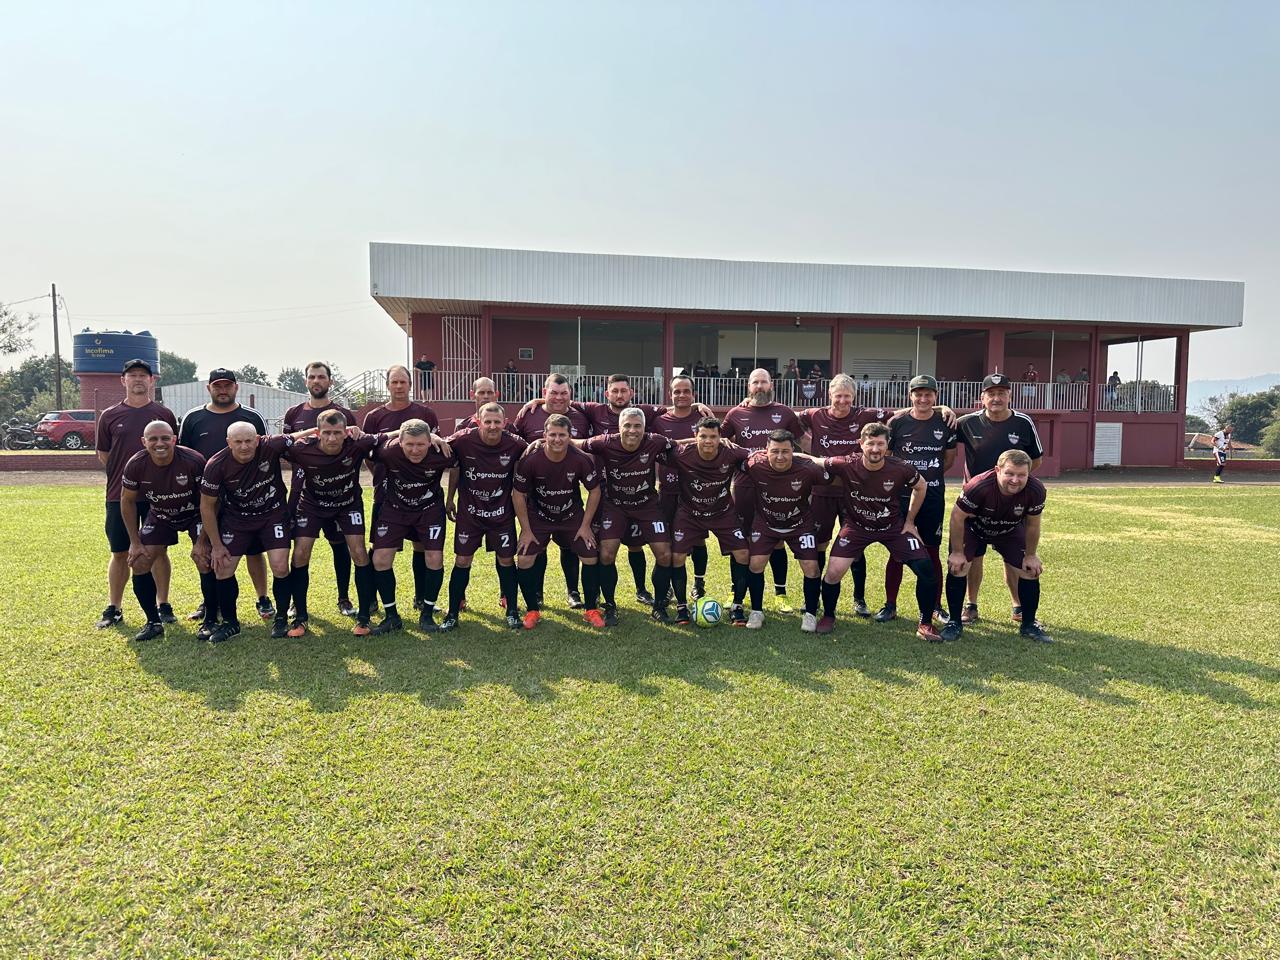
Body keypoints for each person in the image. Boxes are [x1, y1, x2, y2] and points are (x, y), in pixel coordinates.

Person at [815, 423, 938, 640]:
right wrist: (772, 454)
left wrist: (909, 521)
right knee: (833, 572)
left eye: (880, 444)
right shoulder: (846, 464)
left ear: (887, 445)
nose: (875, 449)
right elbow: (813, 461)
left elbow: (922, 486)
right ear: (861, 444)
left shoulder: (900, 467)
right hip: (856, 528)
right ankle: (828, 616)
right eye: (870, 443)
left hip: (893, 528)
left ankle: (925, 623)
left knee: (926, 570)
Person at [178, 367, 273, 627]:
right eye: (217, 385)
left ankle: (262, 597)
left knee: (254, 551)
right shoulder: (193, 417)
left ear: (236, 387)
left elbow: (264, 450)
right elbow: (183, 455)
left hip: (245, 498)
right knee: (206, 550)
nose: (223, 390)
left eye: (227, 385)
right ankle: (209, 603)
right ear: (209, 388)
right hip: (207, 497)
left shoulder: (250, 416)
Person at [798, 373, 893, 616]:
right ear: (829, 395)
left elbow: (903, 413)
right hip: (821, 492)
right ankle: (814, 597)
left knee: (855, 546)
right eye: (838, 396)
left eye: (847, 397)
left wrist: (939, 406)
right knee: (819, 544)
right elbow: (788, 420)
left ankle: (859, 599)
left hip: (854, 494)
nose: (842, 401)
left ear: (854, 397)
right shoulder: (814, 415)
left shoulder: (865, 415)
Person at [200, 421, 304, 641]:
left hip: (272, 514)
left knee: (279, 564)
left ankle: (281, 619)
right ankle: (230, 623)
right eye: (238, 442)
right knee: (223, 568)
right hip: (237, 519)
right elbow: (207, 506)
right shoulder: (216, 464)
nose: (244, 446)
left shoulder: (271, 446)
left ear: (257, 440)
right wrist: (216, 546)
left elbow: (300, 434)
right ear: (229, 443)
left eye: (249, 441)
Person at [953, 373, 1044, 626]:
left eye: (1001, 393)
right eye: (991, 394)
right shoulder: (967, 423)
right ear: (982, 398)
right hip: (976, 503)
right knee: (974, 555)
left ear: (1009, 396)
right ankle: (971, 605)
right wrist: (940, 407)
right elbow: (934, 420)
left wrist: (1014, 483)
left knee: (1012, 554)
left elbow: (1035, 459)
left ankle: (1018, 606)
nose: (996, 398)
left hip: (1012, 502)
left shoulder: (1023, 422)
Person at [95, 359, 179, 630]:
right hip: (119, 495)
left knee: (158, 550)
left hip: (158, 496)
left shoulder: (163, 414)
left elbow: (171, 450)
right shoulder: (110, 415)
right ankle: (114, 607)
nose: (138, 379)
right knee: (120, 551)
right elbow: (104, 454)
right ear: (124, 381)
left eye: (144, 375)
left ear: (152, 381)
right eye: (132, 375)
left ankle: (162, 604)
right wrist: (129, 479)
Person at [283, 410, 379, 637]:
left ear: (346, 432)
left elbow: (393, 435)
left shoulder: (357, 443)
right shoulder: (302, 448)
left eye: (338, 433)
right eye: (327, 433)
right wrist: (306, 432)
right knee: (300, 554)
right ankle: (300, 617)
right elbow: (271, 444)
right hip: (312, 505)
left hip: (347, 505)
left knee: (359, 552)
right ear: (318, 433)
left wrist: (431, 436)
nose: (333, 438)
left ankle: (363, 617)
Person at [941, 450, 1051, 644]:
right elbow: (957, 517)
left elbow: (1033, 524)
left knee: (1030, 570)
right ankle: (954, 622)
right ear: (998, 470)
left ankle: (1028, 624)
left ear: (1029, 473)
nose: (1015, 480)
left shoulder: (1036, 490)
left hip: (1008, 530)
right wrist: (957, 553)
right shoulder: (978, 485)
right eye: (1010, 473)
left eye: (1021, 475)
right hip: (974, 528)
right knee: (958, 567)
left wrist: (1031, 555)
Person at [580, 408, 677, 624]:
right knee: (606, 554)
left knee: (664, 554)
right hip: (616, 505)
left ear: (644, 429)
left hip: (647, 506)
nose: (632, 430)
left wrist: (711, 440)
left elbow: (684, 444)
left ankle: (660, 606)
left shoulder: (656, 441)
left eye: (637, 426)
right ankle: (610, 606)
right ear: (619, 427)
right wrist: (541, 442)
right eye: (627, 425)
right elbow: (577, 443)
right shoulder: (604, 442)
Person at [722, 368, 805, 613]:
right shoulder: (736, 413)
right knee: (742, 540)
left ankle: (780, 594)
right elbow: (718, 439)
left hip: (780, 487)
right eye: (755, 383)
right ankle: (736, 591)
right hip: (745, 485)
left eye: (764, 382)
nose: (759, 387)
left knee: (777, 539)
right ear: (748, 387)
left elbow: (805, 441)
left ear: (772, 385)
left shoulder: (785, 413)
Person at [119, 420, 209, 642]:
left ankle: (210, 619)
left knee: (204, 558)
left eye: (165, 438)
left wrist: (203, 541)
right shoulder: (135, 464)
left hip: (196, 514)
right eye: (153, 439)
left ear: (174, 439)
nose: (160, 443)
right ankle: (153, 621)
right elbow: (127, 501)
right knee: (140, 561)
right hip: (161, 515)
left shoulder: (194, 461)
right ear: (144, 442)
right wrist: (135, 542)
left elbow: (210, 502)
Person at [511, 414, 604, 628]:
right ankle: (533, 610)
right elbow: (518, 493)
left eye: (562, 435)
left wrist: (585, 525)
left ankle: (591, 609)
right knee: (524, 558)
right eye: (552, 434)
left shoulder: (580, 458)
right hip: (540, 517)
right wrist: (525, 529)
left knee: (590, 554)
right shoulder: (531, 460)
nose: (557, 439)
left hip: (571, 516)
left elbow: (595, 490)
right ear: (544, 435)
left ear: (569, 436)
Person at [281, 362, 358, 617]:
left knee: (340, 545)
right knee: (301, 549)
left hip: (339, 495)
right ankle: (295, 602)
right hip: (303, 492)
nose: (317, 381)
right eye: (312, 377)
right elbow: (288, 447)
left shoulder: (343, 413)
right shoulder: (293, 413)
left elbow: (354, 449)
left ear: (330, 381)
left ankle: (344, 598)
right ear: (306, 381)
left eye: (321, 377)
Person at [443, 402, 529, 631]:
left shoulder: (515, 443)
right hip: (469, 514)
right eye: (487, 421)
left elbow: (536, 452)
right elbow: (441, 451)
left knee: (507, 560)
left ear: (505, 423)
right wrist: (450, 497)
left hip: (501, 514)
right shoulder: (462, 439)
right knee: (462, 560)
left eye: (496, 422)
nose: (492, 426)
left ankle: (512, 610)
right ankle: (452, 613)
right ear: (478, 421)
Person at [511, 373, 594, 609]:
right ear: (543, 392)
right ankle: (536, 593)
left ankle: (573, 592)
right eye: (553, 392)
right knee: (538, 547)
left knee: (570, 546)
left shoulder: (580, 416)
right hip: (535, 497)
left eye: (564, 393)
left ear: (571, 395)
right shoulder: (528, 414)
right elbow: (512, 442)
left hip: (568, 497)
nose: (559, 397)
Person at [362, 365, 441, 613]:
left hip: (422, 495)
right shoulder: (375, 417)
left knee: (422, 547)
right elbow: (368, 453)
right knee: (381, 549)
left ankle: (421, 598)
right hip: (387, 494)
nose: (399, 386)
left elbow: (436, 446)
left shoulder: (425, 413)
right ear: (388, 385)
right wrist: (379, 474)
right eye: (394, 382)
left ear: (410, 384)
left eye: (403, 382)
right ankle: (377, 599)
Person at [367, 419, 456, 633]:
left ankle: (427, 614)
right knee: (379, 559)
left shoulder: (443, 452)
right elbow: (365, 452)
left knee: (434, 558)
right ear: (400, 442)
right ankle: (391, 616)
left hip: (430, 510)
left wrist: (451, 498)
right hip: (395, 509)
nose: (415, 450)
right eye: (409, 445)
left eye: (421, 444)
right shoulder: (387, 451)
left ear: (430, 442)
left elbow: (459, 465)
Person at [740, 430, 832, 630]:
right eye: (775, 451)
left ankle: (809, 613)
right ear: (766, 451)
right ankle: (756, 612)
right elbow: (736, 459)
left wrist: (811, 458)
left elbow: (830, 475)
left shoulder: (808, 469)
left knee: (811, 567)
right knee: (755, 564)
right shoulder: (754, 464)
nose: (780, 457)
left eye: (785, 451)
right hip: (765, 523)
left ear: (794, 451)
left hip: (799, 524)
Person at [883, 375, 956, 624]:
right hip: (901, 497)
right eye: (918, 394)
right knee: (897, 552)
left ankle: (936, 605)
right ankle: (890, 605)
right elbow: (888, 458)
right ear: (910, 395)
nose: (923, 399)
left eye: (928, 394)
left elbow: (948, 460)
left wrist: (925, 482)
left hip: (933, 497)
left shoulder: (945, 421)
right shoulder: (897, 422)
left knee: (932, 552)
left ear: (936, 396)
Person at [667, 417, 752, 623]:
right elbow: (654, 450)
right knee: (676, 557)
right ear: (695, 437)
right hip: (689, 513)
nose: (708, 441)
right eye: (703, 436)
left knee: (742, 553)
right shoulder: (682, 453)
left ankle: (737, 605)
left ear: (720, 438)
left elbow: (757, 456)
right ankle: (681, 608)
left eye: (713, 437)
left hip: (722, 512)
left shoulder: (731, 453)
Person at [651, 376, 709, 605]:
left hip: (696, 491)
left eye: (686, 391)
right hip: (668, 490)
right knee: (667, 541)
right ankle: (666, 588)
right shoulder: (658, 420)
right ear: (670, 394)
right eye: (677, 391)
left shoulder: (703, 417)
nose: (682, 395)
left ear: (693, 394)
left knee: (698, 541)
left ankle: (699, 583)